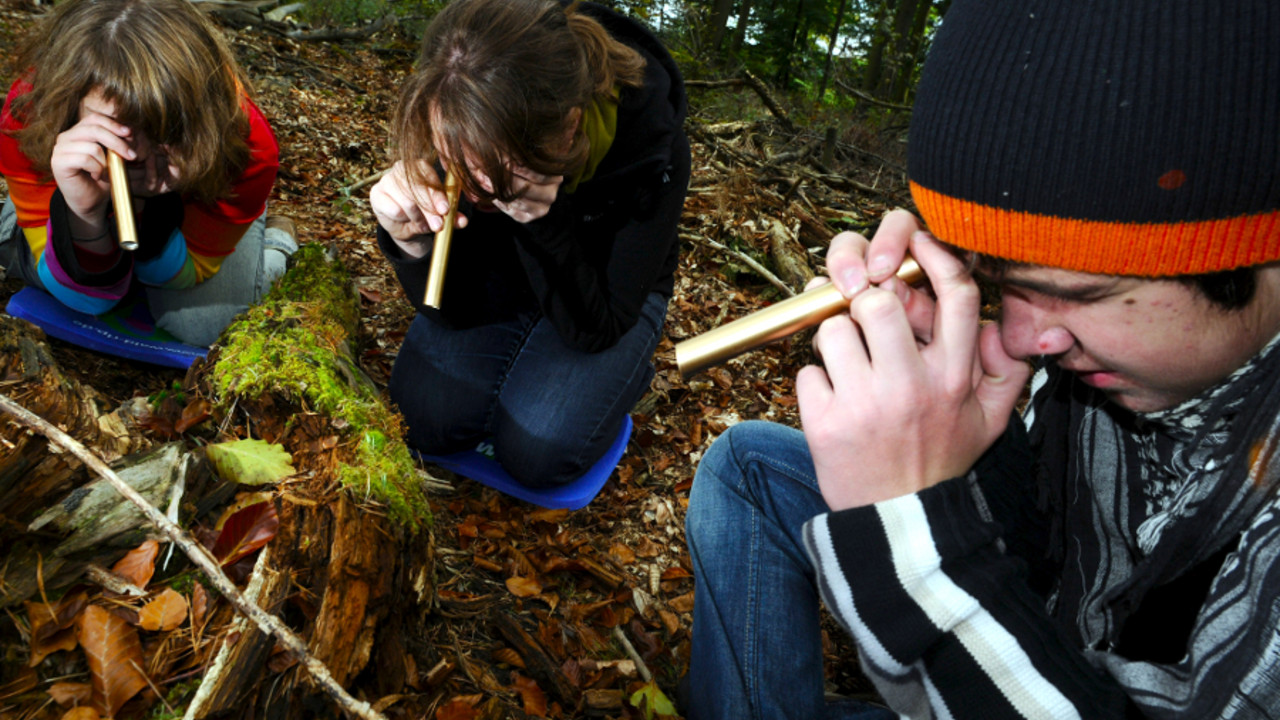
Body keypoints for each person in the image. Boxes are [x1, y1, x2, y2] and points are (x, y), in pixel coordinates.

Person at [685, 0, 1280, 717]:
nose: (1029, 341)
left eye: (1081, 293)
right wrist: (967, 444)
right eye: (1002, 285)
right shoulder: (1110, 373)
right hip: (1042, 664)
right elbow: (1043, 566)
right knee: (750, 466)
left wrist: (917, 537)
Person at [370, 0, 689, 487]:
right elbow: (450, 308)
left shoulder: (650, 144)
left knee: (539, 454)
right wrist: (409, 242)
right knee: (421, 420)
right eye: (447, 154)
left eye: (483, 168)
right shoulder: (464, 110)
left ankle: (624, 376)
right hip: (508, 274)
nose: (462, 178)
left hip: (604, 298)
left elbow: (597, 327)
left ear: (569, 130)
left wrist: (544, 221)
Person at [0, 0, 295, 348]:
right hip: (70, 188)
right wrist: (83, 215)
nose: (134, 153)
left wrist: (148, 211)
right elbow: (91, 299)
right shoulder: (28, 112)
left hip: (200, 204)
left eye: (158, 130)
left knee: (206, 325)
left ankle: (278, 240)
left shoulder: (248, 144)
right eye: (112, 128)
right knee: (34, 262)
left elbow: (188, 273)